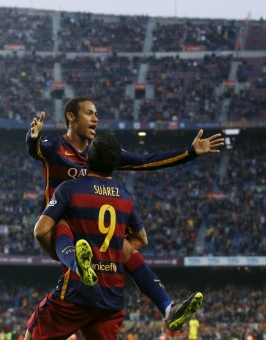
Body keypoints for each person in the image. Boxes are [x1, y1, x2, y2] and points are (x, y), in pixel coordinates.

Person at [25, 97, 222, 325]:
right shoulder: (55, 145)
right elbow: (35, 150)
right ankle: (81, 264)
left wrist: (190, 152)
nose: (96, 118)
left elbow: (145, 161)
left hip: (92, 226)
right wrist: (32, 137)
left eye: (96, 114)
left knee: (127, 250)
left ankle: (168, 308)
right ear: (71, 116)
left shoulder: (99, 152)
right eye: (89, 113)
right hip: (59, 222)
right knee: (65, 225)